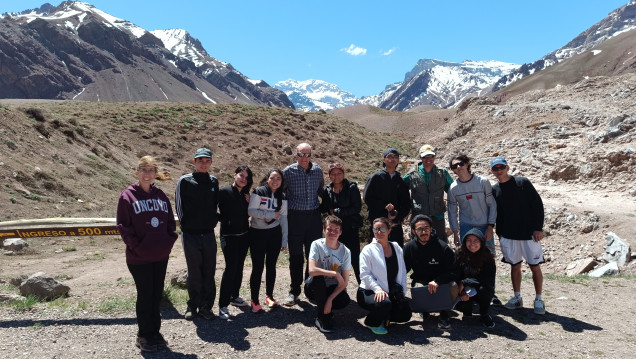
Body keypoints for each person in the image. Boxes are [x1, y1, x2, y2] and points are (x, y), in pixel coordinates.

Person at [116, 156, 178, 352]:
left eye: (151, 170)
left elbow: (170, 222)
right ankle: (143, 334)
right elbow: (123, 227)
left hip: (160, 255)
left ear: (155, 174)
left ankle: (155, 332)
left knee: (156, 294)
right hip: (139, 257)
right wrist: (137, 246)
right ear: (137, 172)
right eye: (143, 169)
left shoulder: (160, 196)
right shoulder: (127, 196)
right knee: (145, 294)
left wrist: (168, 242)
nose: (147, 173)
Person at [490, 156, 547, 315]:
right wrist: (499, 233)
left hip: (529, 234)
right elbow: (497, 213)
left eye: (502, 167)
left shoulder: (523, 183)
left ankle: (539, 299)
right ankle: (517, 297)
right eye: (496, 168)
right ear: (492, 171)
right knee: (515, 266)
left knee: (535, 266)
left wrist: (538, 228)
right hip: (508, 235)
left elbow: (537, 205)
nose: (499, 171)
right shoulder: (495, 190)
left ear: (507, 168)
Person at [175, 147, 219, 321]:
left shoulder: (214, 181)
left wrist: (211, 222)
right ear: (194, 162)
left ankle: (206, 307)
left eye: (207, 160)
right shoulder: (184, 181)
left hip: (208, 234)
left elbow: (215, 205)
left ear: (211, 163)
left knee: (209, 271)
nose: (204, 163)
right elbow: (178, 205)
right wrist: (186, 226)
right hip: (190, 234)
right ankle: (193, 305)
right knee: (194, 272)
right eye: (200, 160)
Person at [282, 142, 324, 306]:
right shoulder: (288, 172)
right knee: (296, 256)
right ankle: (294, 291)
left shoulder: (318, 171)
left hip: (313, 217)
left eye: (307, 154)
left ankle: (310, 289)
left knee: (312, 256)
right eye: (301, 154)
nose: (304, 158)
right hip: (295, 218)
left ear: (311, 155)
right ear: (296, 155)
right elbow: (281, 192)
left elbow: (321, 191)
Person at [358, 217, 412, 335]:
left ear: (389, 230)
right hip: (369, 290)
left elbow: (402, 270)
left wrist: (402, 289)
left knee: (406, 313)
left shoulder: (396, 247)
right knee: (384, 303)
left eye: (382, 229)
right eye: (376, 229)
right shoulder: (368, 250)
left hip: (391, 290)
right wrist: (377, 289)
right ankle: (371, 321)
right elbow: (364, 274)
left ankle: (384, 315)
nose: (379, 232)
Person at [403, 214, 457, 330]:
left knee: (453, 286)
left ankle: (444, 313)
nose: (423, 232)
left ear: (431, 229)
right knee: (417, 289)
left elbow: (454, 271)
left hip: (441, 282)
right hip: (421, 282)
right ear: (413, 231)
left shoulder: (443, 247)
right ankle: (426, 309)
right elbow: (403, 270)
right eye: (419, 229)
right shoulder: (409, 248)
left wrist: (438, 281)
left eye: (426, 228)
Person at [248, 168, 288, 312]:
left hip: (274, 234)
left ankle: (269, 296)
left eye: (278, 179)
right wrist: (269, 214)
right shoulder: (259, 192)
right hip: (257, 234)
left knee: (271, 266)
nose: (275, 181)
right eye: (272, 178)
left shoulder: (282, 196)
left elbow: (283, 219)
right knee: (257, 267)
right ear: (267, 179)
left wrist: (284, 240)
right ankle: (254, 300)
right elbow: (251, 211)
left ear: (282, 181)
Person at [217, 165, 253, 319]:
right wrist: (225, 220)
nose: (243, 179)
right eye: (241, 175)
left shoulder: (245, 195)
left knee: (239, 267)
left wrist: (250, 202)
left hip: (244, 236)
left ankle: (234, 296)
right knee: (231, 268)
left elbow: (249, 214)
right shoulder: (223, 191)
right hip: (229, 236)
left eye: (246, 177)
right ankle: (222, 305)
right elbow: (212, 210)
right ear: (234, 175)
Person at [305, 215, 352, 333]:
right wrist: (335, 274)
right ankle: (322, 317)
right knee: (318, 277)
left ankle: (326, 307)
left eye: (336, 230)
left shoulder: (345, 251)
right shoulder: (316, 244)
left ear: (340, 232)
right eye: (329, 229)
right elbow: (311, 270)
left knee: (344, 300)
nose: (332, 232)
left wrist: (330, 299)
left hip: (331, 287)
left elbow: (345, 281)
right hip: (314, 287)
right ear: (323, 230)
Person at [320, 162, 363, 283]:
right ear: (329, 176)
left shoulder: (351, 187)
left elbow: (357, 208)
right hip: (334, 230)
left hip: (350, 227)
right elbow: (324, 207)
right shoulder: (328, 189)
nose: (336, 176)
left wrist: (337, 212)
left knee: (354, 257)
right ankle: (335, 285)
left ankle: (363, 285)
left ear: (343, 174)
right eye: (333, 174)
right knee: (335, 257)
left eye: (339, 173)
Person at [402, 144, 454, 243]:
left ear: (434, 157)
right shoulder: (412, 174)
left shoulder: (442, 173)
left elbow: (453, 190)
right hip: (419, 217)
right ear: (420, 157)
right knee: (419, 243)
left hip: (437, 216)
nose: (428, 159)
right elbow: (400, 191)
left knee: (439, 243)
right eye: (425, 157)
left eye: (431, 156)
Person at [447, 154, 497, 253]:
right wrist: (455, 233)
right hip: (466, 226)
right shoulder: (453, 188)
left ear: (467, 164)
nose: (458, 167)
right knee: (467, 258)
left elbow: (492, 204)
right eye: (454, 166)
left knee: (488, 257)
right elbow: (452, 212)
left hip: (484, 226)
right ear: (452, 170)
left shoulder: (483, 182)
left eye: (460, 164)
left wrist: (490, 227)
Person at [363, 148, 411, 247]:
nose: (392, 159)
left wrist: (397, 214)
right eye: (389, 156)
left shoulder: (400, 181)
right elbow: (367, 198)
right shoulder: (376, 177)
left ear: (398, 161)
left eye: (395, 157)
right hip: (378, 223)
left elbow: (406, 203)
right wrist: (384, 208)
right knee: (377, 250)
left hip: (395, 224)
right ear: (384, 159)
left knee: (395, 250)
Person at [455, 228, 496, 328]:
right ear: (464, 242)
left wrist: (465, 282)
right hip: (462, 290)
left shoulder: (488, 257)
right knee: (464, 306)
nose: (472, 243)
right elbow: (455, 275)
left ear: (481, 243)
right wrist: (462, 290)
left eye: (476, 241)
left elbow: (488, 280)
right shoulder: (459, 254)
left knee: (487, 290)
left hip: (479, 289)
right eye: (469, 240)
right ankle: (467, 310)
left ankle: (484, 313)